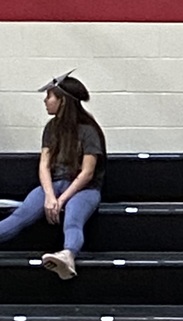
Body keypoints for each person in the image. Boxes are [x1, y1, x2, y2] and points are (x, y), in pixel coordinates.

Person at [0, 71, 106, 280]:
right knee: (20, 215)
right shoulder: (51, 128)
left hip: (84, 189)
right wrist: (49, 196)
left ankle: (68, 255)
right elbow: (44, 165)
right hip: (55, 184)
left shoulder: (89, 131)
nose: (45, 101)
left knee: (73, 218)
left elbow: (87, 173)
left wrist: (62, 199)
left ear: (63, 101)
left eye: (49, 96)